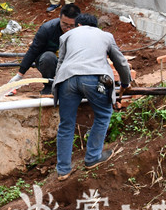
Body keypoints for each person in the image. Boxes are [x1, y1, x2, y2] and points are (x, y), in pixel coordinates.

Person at [53, 13, 131, 180]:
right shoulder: (105, 36)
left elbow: (60, 63)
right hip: (94, 79)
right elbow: (121, 62)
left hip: (67, 79)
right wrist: (125, 83)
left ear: (78, 25)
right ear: (96, 26)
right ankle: (93, 158)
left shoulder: (67, 35)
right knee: (103, 115)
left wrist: (57, 88)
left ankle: (63, 170)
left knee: (66, 124)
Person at [6, 3, 81, 96]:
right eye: (65, 24)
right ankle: (49, 86)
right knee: (48, 57)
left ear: (78, 23)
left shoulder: (83, 31)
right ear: (60, 18)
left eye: (72, 26)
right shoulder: (47, 29)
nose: (68, 29)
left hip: (71, 62)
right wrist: (19, 75)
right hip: (50, 62)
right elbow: (33, 51)